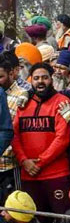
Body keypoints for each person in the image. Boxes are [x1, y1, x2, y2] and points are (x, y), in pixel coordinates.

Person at [13, 63, 70, 216]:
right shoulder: (23, 104)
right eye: (36, 78)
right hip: (28, 174)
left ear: (51, 79)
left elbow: (62, 138)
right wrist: (23, 161)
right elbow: (14, 134)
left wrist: (40, 161)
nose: (40, 81)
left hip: (56, 174)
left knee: (63, 221)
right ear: (30, 80)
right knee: (35, 221)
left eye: (45, 78)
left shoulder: (62, 102)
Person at [0, 51, 27, 202]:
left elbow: (16, 132)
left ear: (12, 73)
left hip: (10, 165)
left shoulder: (22, 95)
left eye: (0, 77)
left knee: (13, 210)